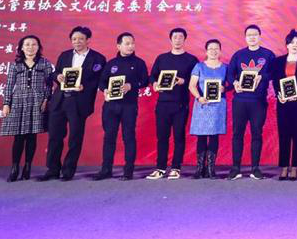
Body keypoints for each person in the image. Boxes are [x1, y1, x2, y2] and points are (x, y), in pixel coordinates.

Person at [42, 26, 106, 181]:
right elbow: (55, 73)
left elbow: (100, 81)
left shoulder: (98, 58)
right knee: (54, 136)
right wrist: (57, 76)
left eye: (81, 39)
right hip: (60, 100)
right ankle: (52, 169)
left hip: (79, 102)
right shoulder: (64, 55)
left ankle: (68, 171)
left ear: (88, 40)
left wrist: (85, 87)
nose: (77, 42)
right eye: (74, 39)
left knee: (75, 138)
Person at [93, 32, 149, 181]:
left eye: (132, 43)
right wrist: (105, 89)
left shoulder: (139, 63)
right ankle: (106, 169)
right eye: (127, 43)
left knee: (128, 136)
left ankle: (128, 170)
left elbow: (145, 81)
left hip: (129, 106)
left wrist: (131, 85)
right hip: (111, 105)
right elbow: (102, 82)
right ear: (118, 46)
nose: (131, 46)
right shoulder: (111, 63)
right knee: (109, 137)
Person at [146, 28, 199, 180]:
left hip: (180, 104)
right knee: (162, 137)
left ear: (185, 39)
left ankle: (176, 167)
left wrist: (184, 81)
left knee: (179, 136)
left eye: (180, 37)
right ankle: (160, 168)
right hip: (163, 103)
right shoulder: (162, 58)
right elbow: (152, 76)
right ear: (170, 39)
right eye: (175, 37)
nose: (177, 40)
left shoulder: (191, 60)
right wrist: (155, 84)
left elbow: (197, 80)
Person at [0, 35, 54, 182]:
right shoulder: (15, 65)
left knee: (32, 136)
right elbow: (9, 85)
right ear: (22, 48)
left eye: (34, 44)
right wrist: (6, 104)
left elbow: (49, 84)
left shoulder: (45, 63)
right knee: (19, 137)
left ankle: (28, 166)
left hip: (37, 101)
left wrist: (46, 99)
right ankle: (15, 168)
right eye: (27, 44)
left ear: (39, 47)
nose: (30, 47)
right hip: (18, 101)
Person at [226, 24, 275, 180]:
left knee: (257, 133)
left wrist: (263, 76)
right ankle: (235, 168)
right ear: (245, 37)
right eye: (249, 35)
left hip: (258, 100)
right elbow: (229, 74)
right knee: (237, 133)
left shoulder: (268, 55)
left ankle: (255, 168)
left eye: (255, 34)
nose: (252, 37)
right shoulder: (238, 55)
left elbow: (274, 73)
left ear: (259, 36)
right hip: (240, 100)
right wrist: (234, 83)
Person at [269, 30, 297, 180]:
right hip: (283, 103)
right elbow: (275, 80)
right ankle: (284, 166)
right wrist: (280, 95)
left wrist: (296, 93)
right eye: (292, 42)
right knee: (284, 134)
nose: (295, 45)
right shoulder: (278, 61)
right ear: (287, 45)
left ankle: (295, 167)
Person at [187, 39, 228, 179]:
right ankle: (200, 168)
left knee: (214, 136)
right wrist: (199, 97)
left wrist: (225, 88)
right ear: (206, 51)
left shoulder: (225, 67)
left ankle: (211, 168)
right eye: (211, 48)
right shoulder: (199, 66)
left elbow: (230, 84)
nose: (213, 51)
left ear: (220, 51)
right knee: (202, 136)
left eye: (216, 48)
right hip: (202, 104)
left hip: (218, 105)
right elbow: (192, 85)